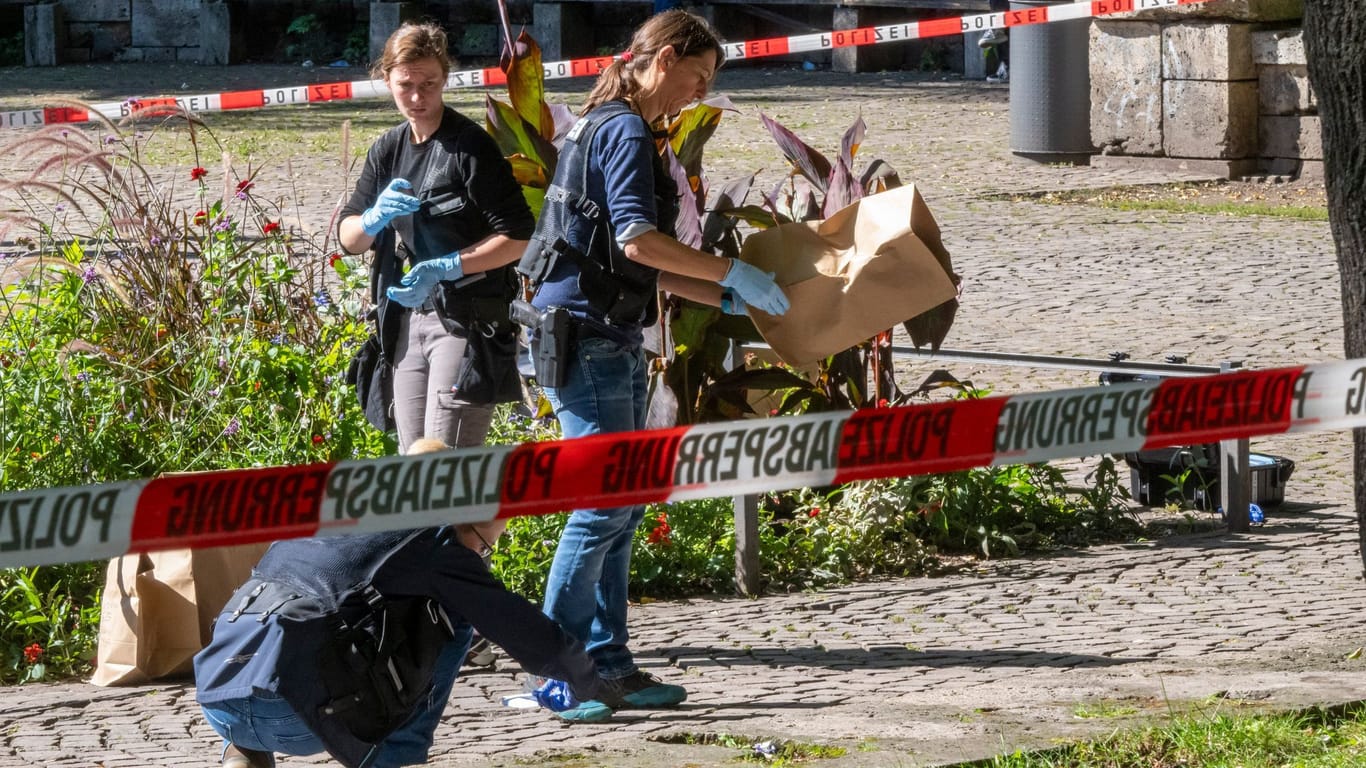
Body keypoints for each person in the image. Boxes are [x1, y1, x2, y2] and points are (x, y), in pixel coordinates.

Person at [515, 9, 790, 720]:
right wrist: (732, 271)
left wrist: (740, 295)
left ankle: (608, 663)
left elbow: (645, 266)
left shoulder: (610, 123)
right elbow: (640, 242)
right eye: (695, 78)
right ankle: (559, 671)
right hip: (588, 339)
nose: (695, 95)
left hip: (604, 332)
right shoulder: (625, 129)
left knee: (623, 504)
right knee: (603, 502)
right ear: (664, 59)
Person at [194, 440, 612, 768]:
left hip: (218, 691)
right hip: (295, 718)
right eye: (484, 547)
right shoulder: (434, 538)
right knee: (454, 618)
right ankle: (394, 760)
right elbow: (527, 633)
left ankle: (242, 752)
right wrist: (591, 681)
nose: (480, 558)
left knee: (285, 638)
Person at [338, 21, 533, 456]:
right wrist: (371, 219)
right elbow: (349, 238)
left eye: (429, 84)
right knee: (414, 463)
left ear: (445, 79)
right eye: (405, 85)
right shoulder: (388, 148)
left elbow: (519, 236)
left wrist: (447, 266)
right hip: (408, 318)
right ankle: (429, 529)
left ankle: (462, 528)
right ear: (386, 79)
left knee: (444, 460)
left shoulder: (470, 147)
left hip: (464, 319)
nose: (417, 97)